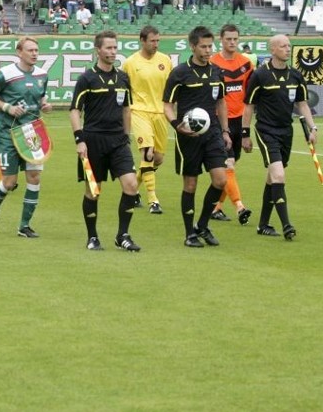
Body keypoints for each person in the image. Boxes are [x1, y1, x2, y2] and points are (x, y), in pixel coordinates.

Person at [71, 31, 141, 251]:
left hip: (118, 141)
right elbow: (75, 111)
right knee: (93, 190)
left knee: (131, 185)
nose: (113, 51)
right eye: (108, 48)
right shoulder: (87, 78)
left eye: (114, 47)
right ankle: (92, 237)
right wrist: (79, 140)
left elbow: (127, 108)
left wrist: (126, 135)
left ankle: (123, 235)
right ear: (98, 50)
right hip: (93, 141)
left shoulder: (122, 77)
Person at [242, 34, 316, 241]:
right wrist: (245, 134)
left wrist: (313, 128)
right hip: (266, 130)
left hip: (286, 131)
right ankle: (287, 225)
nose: (287, 49)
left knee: (272, 178)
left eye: (289, 46)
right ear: (273, 49)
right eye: (283, 46)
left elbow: (302, 104)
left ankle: (263, 224)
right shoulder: (260, 75)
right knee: (279, 176)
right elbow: (248, 107)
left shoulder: (295, 75)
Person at [163, 26, 231, 248]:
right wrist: (176, 125)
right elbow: (167, 105)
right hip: (188, 136)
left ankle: (202, 225)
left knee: (221, 180)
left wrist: (225, 130)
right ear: (192, 46)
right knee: (190, 184)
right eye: (203, 46)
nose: (208, 50)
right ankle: (189, 233)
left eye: (210, 46)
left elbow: (221, 102)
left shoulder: (216, 72)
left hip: (212, 134)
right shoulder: (180, 73)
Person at [0, 37, 53, 238]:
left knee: (34, 177)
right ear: (19, 52)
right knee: (9, 182)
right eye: (30, 50)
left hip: (33, 133)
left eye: (36, 50)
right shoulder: (7, 73)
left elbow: (41, 97)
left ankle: (24, 225)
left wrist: (45, 105)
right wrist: (7, 107)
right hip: (9, 133)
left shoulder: (42, 74)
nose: (34, 54)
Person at [121, 25, 172, 214]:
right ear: (142, 40)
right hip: (139, 111)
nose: (156, 44)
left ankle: (133, 189)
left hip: (160, 113)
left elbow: (171, 87)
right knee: (147, 153)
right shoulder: (130, 63)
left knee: (157, 159)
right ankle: (153, 200)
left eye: (158, 40)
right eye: (152, 41)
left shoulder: (165, 60)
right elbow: (123, 90)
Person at [209, 24, 254, 224]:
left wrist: (246, 130)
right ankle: (239, 206)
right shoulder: (212, 63)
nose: (232, 42)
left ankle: (216, 208)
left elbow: (250, 97)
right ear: (221, 39)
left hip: (239, 120)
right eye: (228, 39)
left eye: (235, 39)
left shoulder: (246, 64)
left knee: (230, 166)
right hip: (219, 121)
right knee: (229, 165)